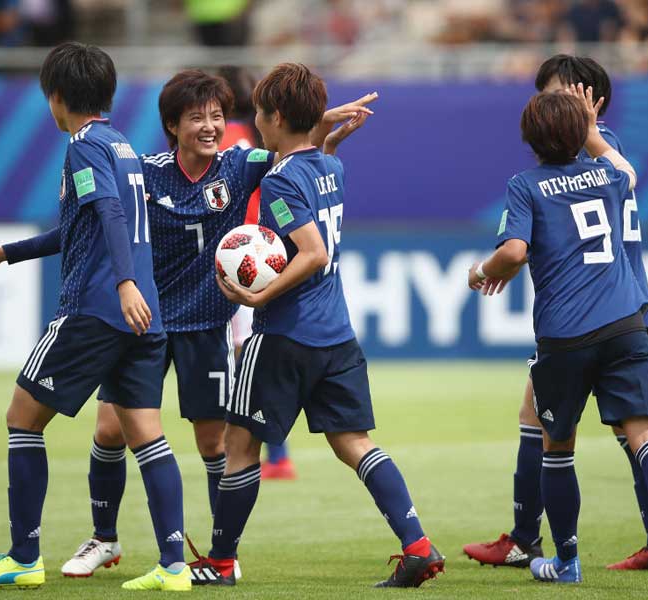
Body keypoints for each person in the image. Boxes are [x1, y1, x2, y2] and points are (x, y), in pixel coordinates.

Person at [59, 68, 376, 578]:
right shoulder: (146, 171)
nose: (210, 126)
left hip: (207, 323)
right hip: (147, 322)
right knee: (109, 428)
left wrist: (319, 122)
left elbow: (292, 148)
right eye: (196, 118)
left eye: (216, 116)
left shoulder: (241, 163)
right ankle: (104, 538)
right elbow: (100, 221)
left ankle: (217, 553)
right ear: (171, 125)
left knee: (214, 443)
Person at [185, 63, 445, 589]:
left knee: (240, 448)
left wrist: (258, 293)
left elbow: (312, 252)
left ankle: (219, 561)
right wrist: (320, 127)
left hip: (284, 336)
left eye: (259, 112)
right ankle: (418, 545)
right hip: (337, 336)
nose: (254, 121)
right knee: (356, 443)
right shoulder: (331, 167)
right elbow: (311, 151)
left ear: (276, 116)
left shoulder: (281, 181)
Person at [0, 42, 191, 592]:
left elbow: (107, 213)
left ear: (57, 97)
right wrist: (4, 254)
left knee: (22, 417)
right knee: (147, 435)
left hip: (97, 308)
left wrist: (122, 280)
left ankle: (23, 556)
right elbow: (84, 227)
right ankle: (175, 566)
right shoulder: (123, 145)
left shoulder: (84, 146)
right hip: (144, 314)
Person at [468, 84, 648, 592]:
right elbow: (628, 171)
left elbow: (512, 252)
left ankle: (567, 560)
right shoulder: (611, 176)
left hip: (565, 336)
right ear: (583, 133)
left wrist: (477, 271)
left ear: (529, 138)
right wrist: (592, 133)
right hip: (626, 324)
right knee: (646, 436)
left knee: (558, 447)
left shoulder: (524, 184)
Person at [218, 64, 296, 480]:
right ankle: (277, 454)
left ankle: (249, 451)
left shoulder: (222, 141)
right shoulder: (260, 142)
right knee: (249, 353)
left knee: (241, 356)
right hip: (261, 253)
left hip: (232, 259)